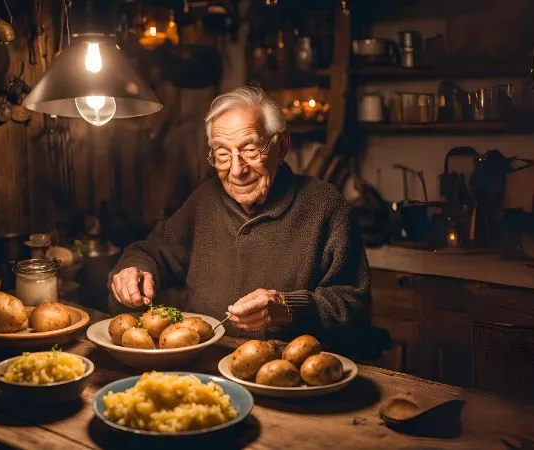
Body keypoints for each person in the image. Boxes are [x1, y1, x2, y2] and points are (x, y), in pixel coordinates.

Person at [108, 86, 373, 355]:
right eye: (222, 154)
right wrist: (134, 271)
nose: (236, 170)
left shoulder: (325, 205)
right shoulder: (205, 199)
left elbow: (355, 307)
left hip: (286, 376)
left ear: (281, 147)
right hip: (205, 366)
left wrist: (289, 308)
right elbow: (151, 252)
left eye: (250, 150)